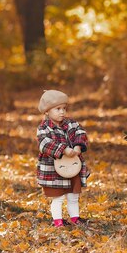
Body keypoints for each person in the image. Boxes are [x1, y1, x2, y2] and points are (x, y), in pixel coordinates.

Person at [36, 89, 90, 227]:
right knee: (58, 197)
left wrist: (78, 146)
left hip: (72, 167)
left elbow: (80, 132)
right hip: (54, 169)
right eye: (58, 109)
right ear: (47, 111)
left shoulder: (71, 123)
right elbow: (44, 143)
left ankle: (75, 218)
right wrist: (63, 150)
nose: (62, 112)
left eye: (64, 108)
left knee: (73, 195)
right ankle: (58, 221)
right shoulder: (44, 128)